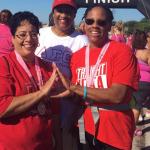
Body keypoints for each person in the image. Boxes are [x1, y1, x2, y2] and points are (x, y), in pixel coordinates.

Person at [53, 5, 140, 150]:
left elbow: (118, 95)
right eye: (90, 21)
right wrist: (61, 91)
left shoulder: (122, 51)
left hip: (114, 133)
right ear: (84, 23)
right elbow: (78, 94)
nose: (95, 25)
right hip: (84, 129)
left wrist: (74, 88)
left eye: (101, 22)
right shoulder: (77, 56)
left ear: (109, 26)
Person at [0, 11, 60, 150]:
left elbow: (55, 112)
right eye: (22, 34)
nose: (29, 39)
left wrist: (59, 143)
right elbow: (2, 107)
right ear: (12, 38)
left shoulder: (48, 67)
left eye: (33, 34)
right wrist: (42, 92)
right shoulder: (4, 64)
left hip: (45, 145)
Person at [35, 0, 88, 150]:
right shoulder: (40, 34)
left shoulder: (82, 41)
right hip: (37, 110)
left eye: (69, 11)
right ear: (53, 13)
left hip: (67, 114)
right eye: (60, 11)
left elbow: (84, 80)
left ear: (75, 14)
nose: (64, 15)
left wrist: (71, 93)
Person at [131, 30, 150, 137]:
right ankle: (133, 129)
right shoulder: (147, 52)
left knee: (135, 105)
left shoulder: (133, 51)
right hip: (146, 82)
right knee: (137, 107)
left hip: (135, 81)